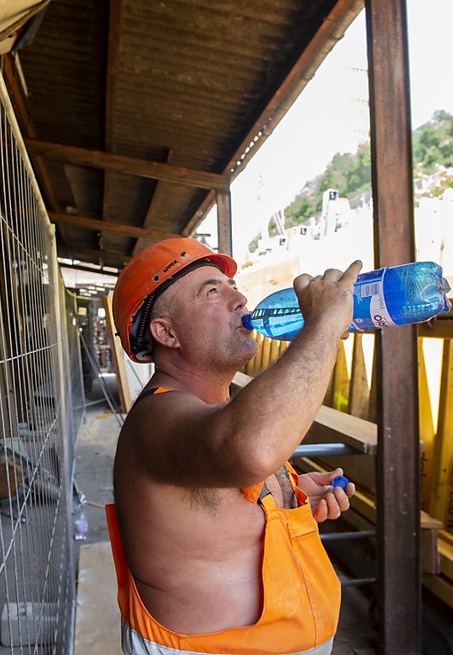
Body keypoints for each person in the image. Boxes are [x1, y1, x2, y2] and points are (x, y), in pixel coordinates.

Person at [107, 237, 361, 655]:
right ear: (166, 332)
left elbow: (229, 497)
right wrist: (324, 325)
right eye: (213, 291)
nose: (240, 298)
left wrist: (292, 496)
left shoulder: (218, 411)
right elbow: (251, 451)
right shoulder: (156, 420)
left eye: (231, 285)